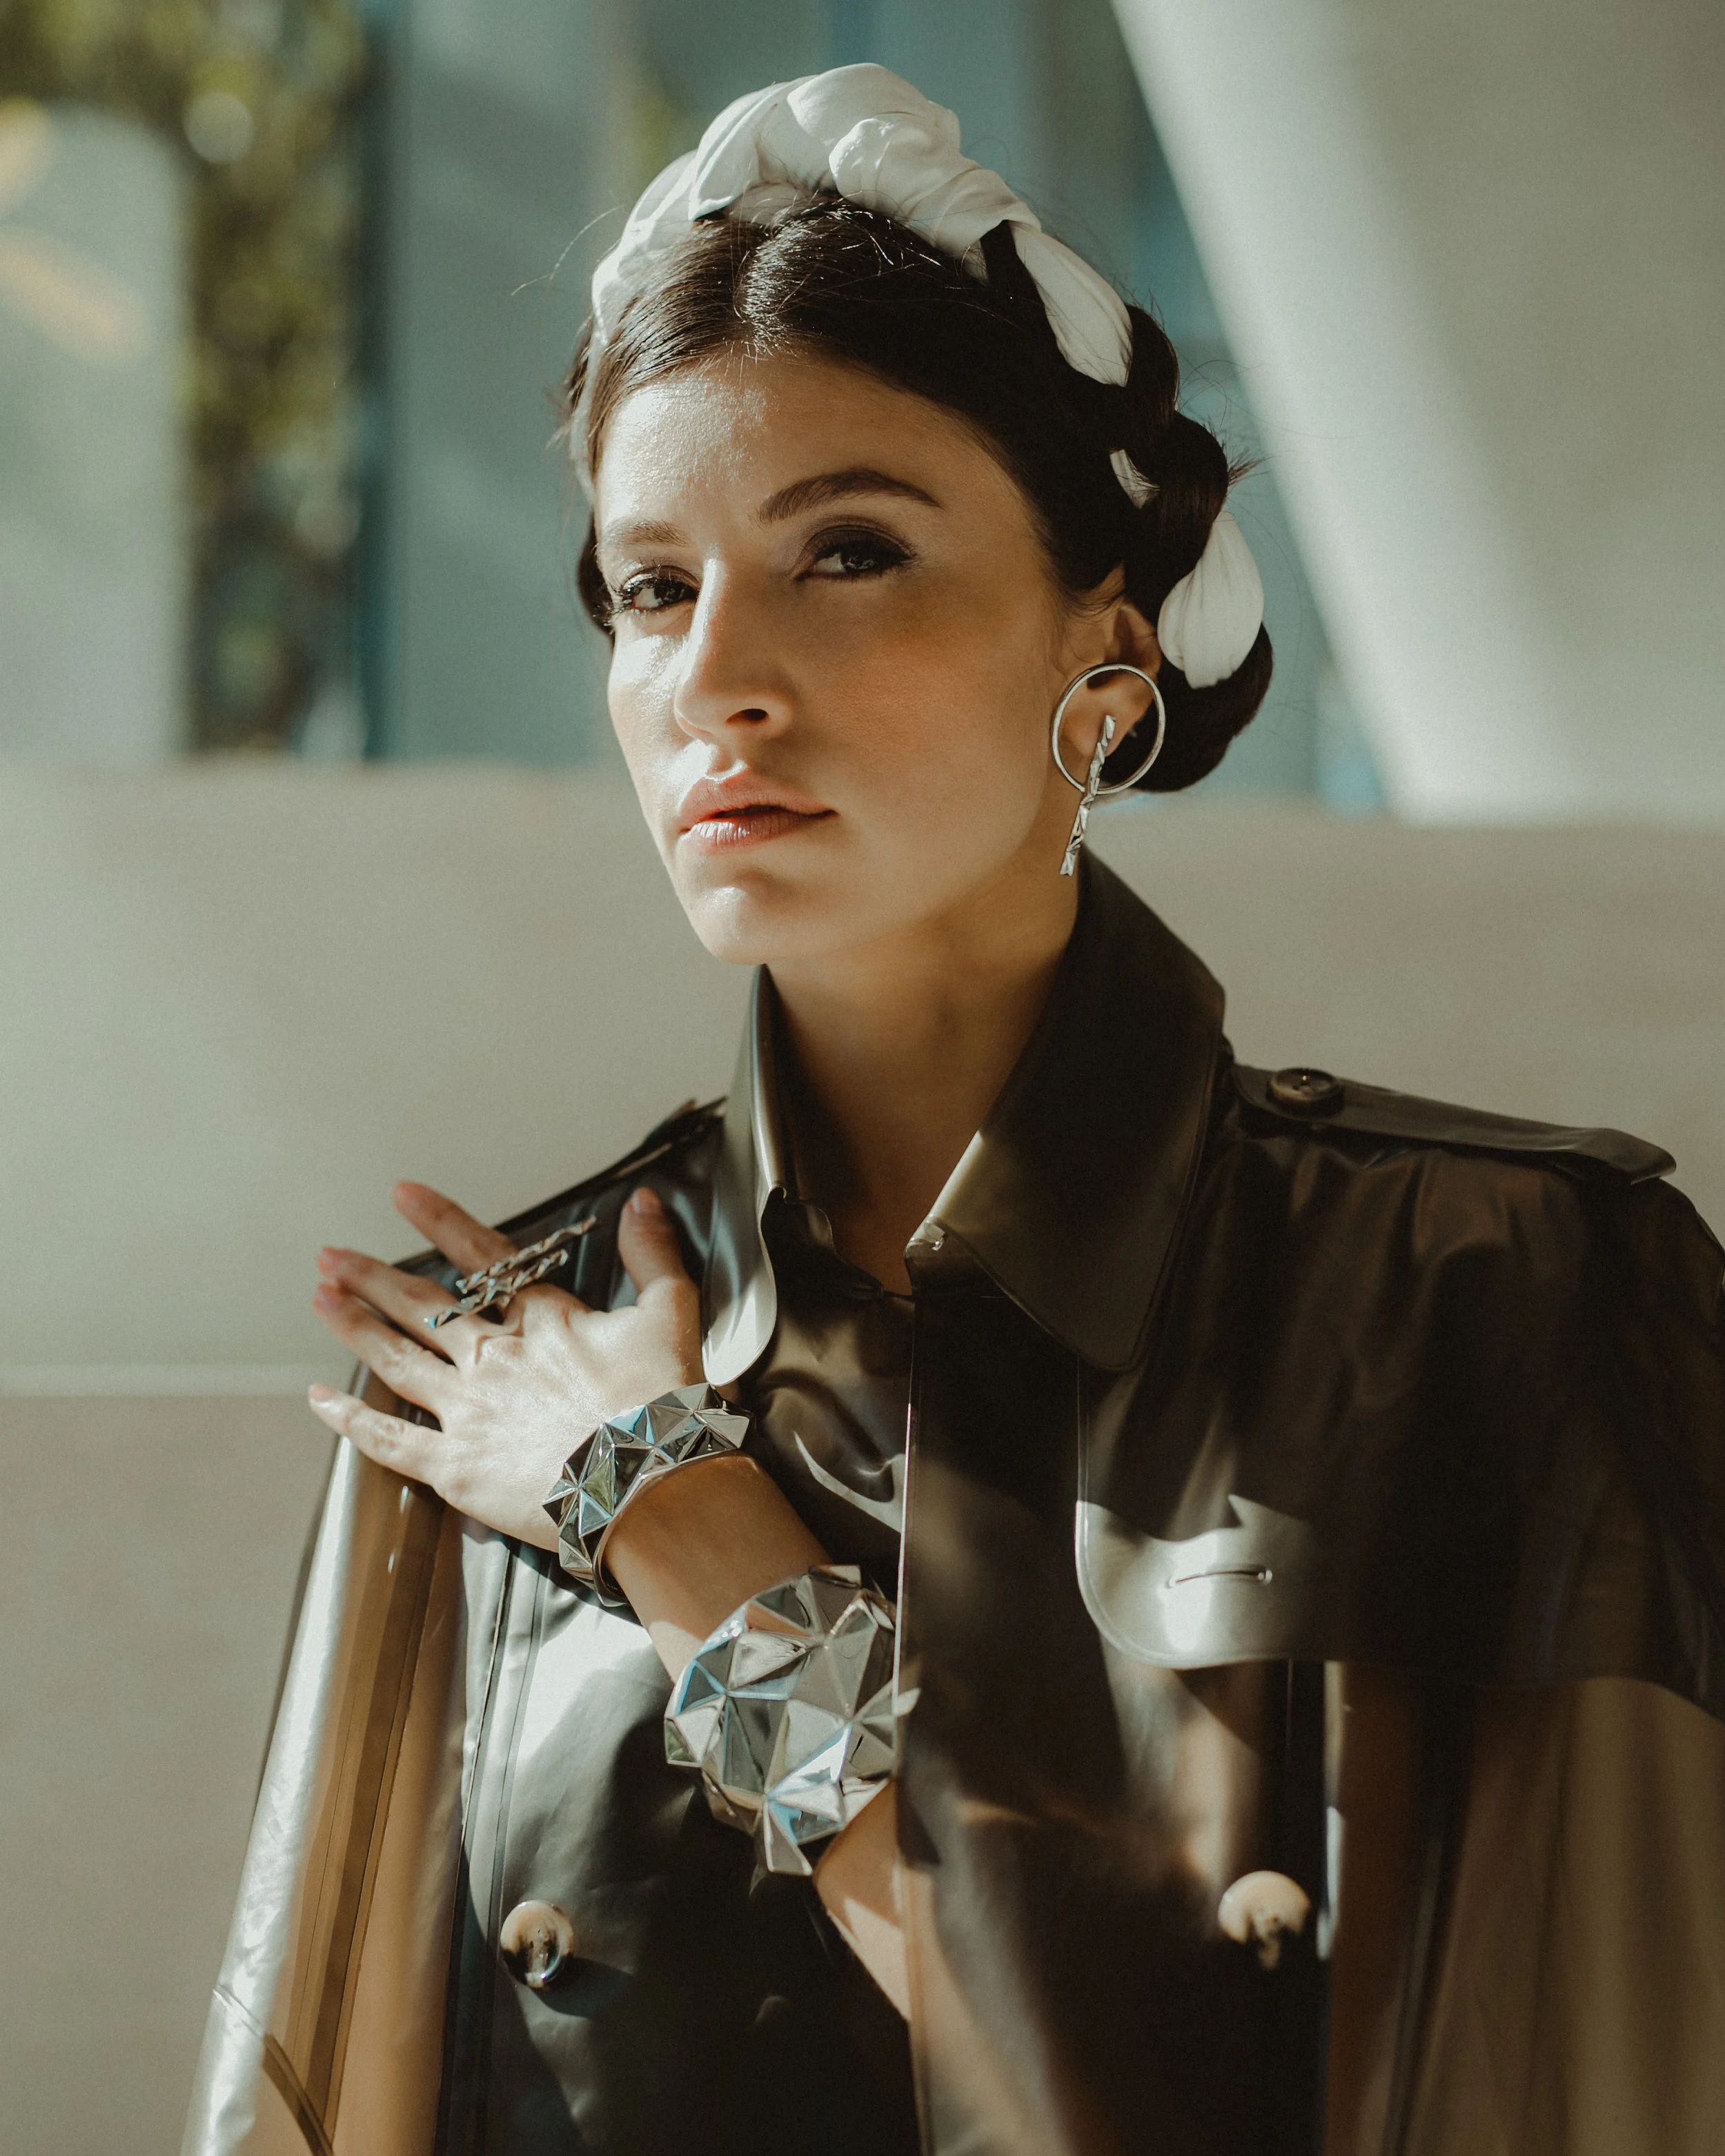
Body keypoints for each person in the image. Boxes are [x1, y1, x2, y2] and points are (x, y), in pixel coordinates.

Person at [185, 66, 1725, 2156]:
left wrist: (685, 1531)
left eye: (847, 550)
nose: (719, 671)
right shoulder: (491, 1374)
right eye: (649, 585)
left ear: (1104, 651)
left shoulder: (1504, 1292)